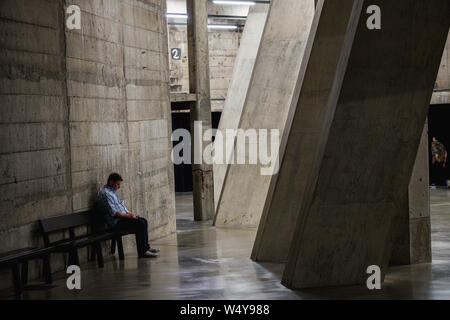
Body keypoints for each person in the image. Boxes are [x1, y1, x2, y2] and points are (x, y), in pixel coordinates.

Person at [98, 173, 160, 258]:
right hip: (116, 223)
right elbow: (115, 213)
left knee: (143, 220)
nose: (119, 187)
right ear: (111, 182)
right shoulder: (105, 194)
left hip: (121, 219)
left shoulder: (112, 192)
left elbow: (120, 207)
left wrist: (129, 214)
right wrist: (129, 217)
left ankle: (146, 248)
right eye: (118, 184)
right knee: (140, 223)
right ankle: (142, 251)